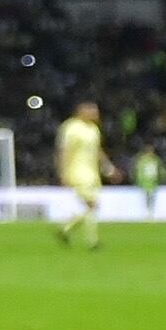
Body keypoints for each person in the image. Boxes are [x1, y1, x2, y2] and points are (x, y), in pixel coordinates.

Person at [48, 99, 111, 253]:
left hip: (92, 172)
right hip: (77, 171)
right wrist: (63, 172)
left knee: (92, 206)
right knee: (92, 204)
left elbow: (97, 151)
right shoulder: (71, 127)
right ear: (82, 112)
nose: (96, 114)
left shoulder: (94, 129)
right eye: (93, 111)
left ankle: (65, 230)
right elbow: (64, 151)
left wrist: (109, 167)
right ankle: (92, 242)